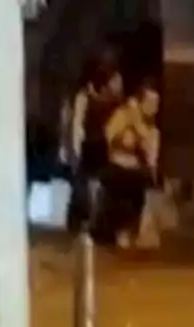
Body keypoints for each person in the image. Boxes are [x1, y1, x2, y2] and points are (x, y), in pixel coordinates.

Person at [67, 62, 125, 238]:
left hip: (101, 145)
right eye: (114, 80)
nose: (117, 84)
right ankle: (86, 222)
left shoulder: (109, 99)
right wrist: (76, 151)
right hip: (90, 145)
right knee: (89, 185)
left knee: (98, 186)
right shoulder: (85, 97)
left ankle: (94, 223)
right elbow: (78, 124)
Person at [102, 80, 161, 249]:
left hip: (137, 172)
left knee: (138, 187)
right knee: (122, 184)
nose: (153, 107)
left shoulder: (152, 129)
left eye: (156, 103)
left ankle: (132, 231)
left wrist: (137, 124)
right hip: (118, 168)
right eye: (150, 102)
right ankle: (119, 230)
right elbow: (109, 136)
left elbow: (150, 153)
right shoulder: (122, 115)